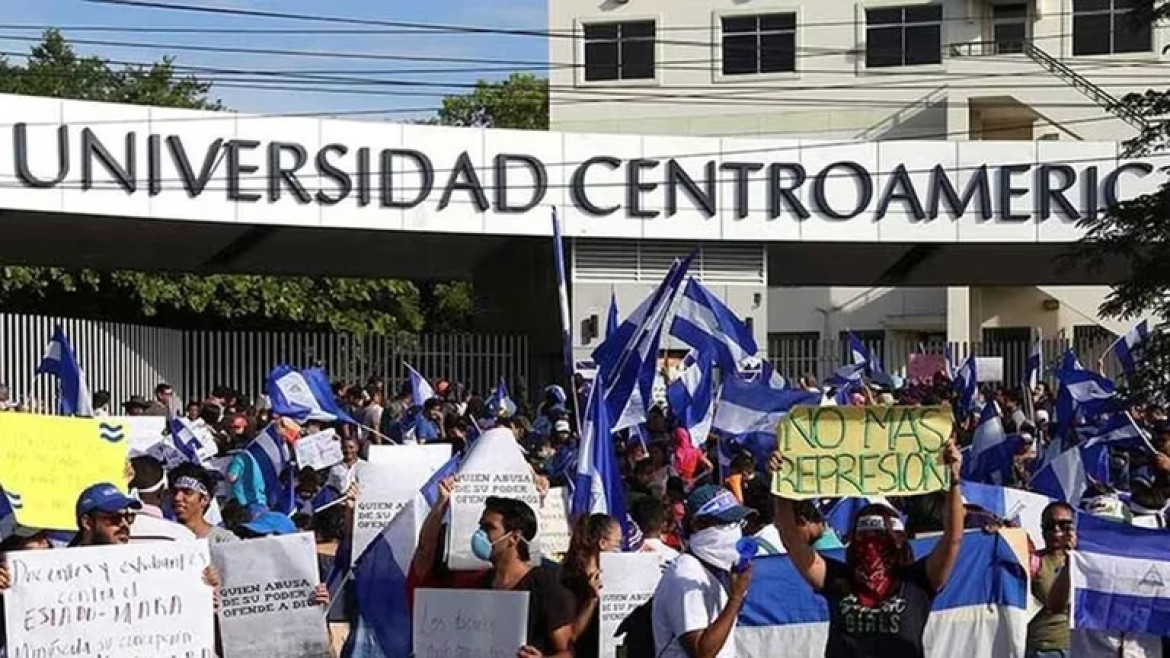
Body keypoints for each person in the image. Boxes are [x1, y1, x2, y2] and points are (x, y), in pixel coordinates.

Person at [769, 439, 964, 658]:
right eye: (864, 538)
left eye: (881, 539)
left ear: (898, 542)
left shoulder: (917, 582)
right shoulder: (838, 579)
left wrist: (954, 482)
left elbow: (953, 539)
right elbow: (793, 542)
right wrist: (781, 486)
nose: (871, 547)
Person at [411, 479, 576, 658]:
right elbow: (424, 551)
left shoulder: (545, 585)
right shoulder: (483, 584)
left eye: (488, 527)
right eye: (480, 526)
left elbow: (567, 652)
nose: (480, 533)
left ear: (514, 538)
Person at [652, 485, 755, 658]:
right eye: (725, 523)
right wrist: (736, 598)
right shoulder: (686, 576)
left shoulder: (715, 569)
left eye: (737, 522)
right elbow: (702, 652)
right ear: (698, 524)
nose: (734, 529)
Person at [562, 514, 621, 658]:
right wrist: (592, 600)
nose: (620, 549)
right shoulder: (570, 580)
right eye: (618, 543)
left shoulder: (615, 578)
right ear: (602, 543)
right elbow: (571, 636)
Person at [1026, 502, 1075, 658]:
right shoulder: (1033, 561)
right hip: (1044, 649)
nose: (1056, 530)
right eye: (1049, 525)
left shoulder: (1087, 562)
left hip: (1083, 648)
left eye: (1064, 525)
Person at [170, 463, 240, 545]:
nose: (177, 498)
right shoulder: (164, 539)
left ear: (204, 500)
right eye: (174, 492)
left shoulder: (225, 541)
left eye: (187, 492)